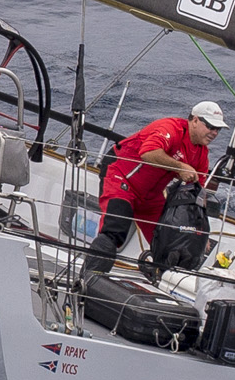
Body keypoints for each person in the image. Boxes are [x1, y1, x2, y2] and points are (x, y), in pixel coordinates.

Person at [87, 100, 222, 281]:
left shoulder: (201, 154)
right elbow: (148, 152)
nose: (214, 132)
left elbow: (198, 193)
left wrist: (201, 231)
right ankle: (89, 280)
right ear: (195, 120)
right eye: (210, 126)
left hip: (151, 195)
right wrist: (180, 166)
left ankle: (163, 285)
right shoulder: (170, 128)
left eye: (218, 129)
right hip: (121, 177)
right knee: (114, 230)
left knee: (171, 241)